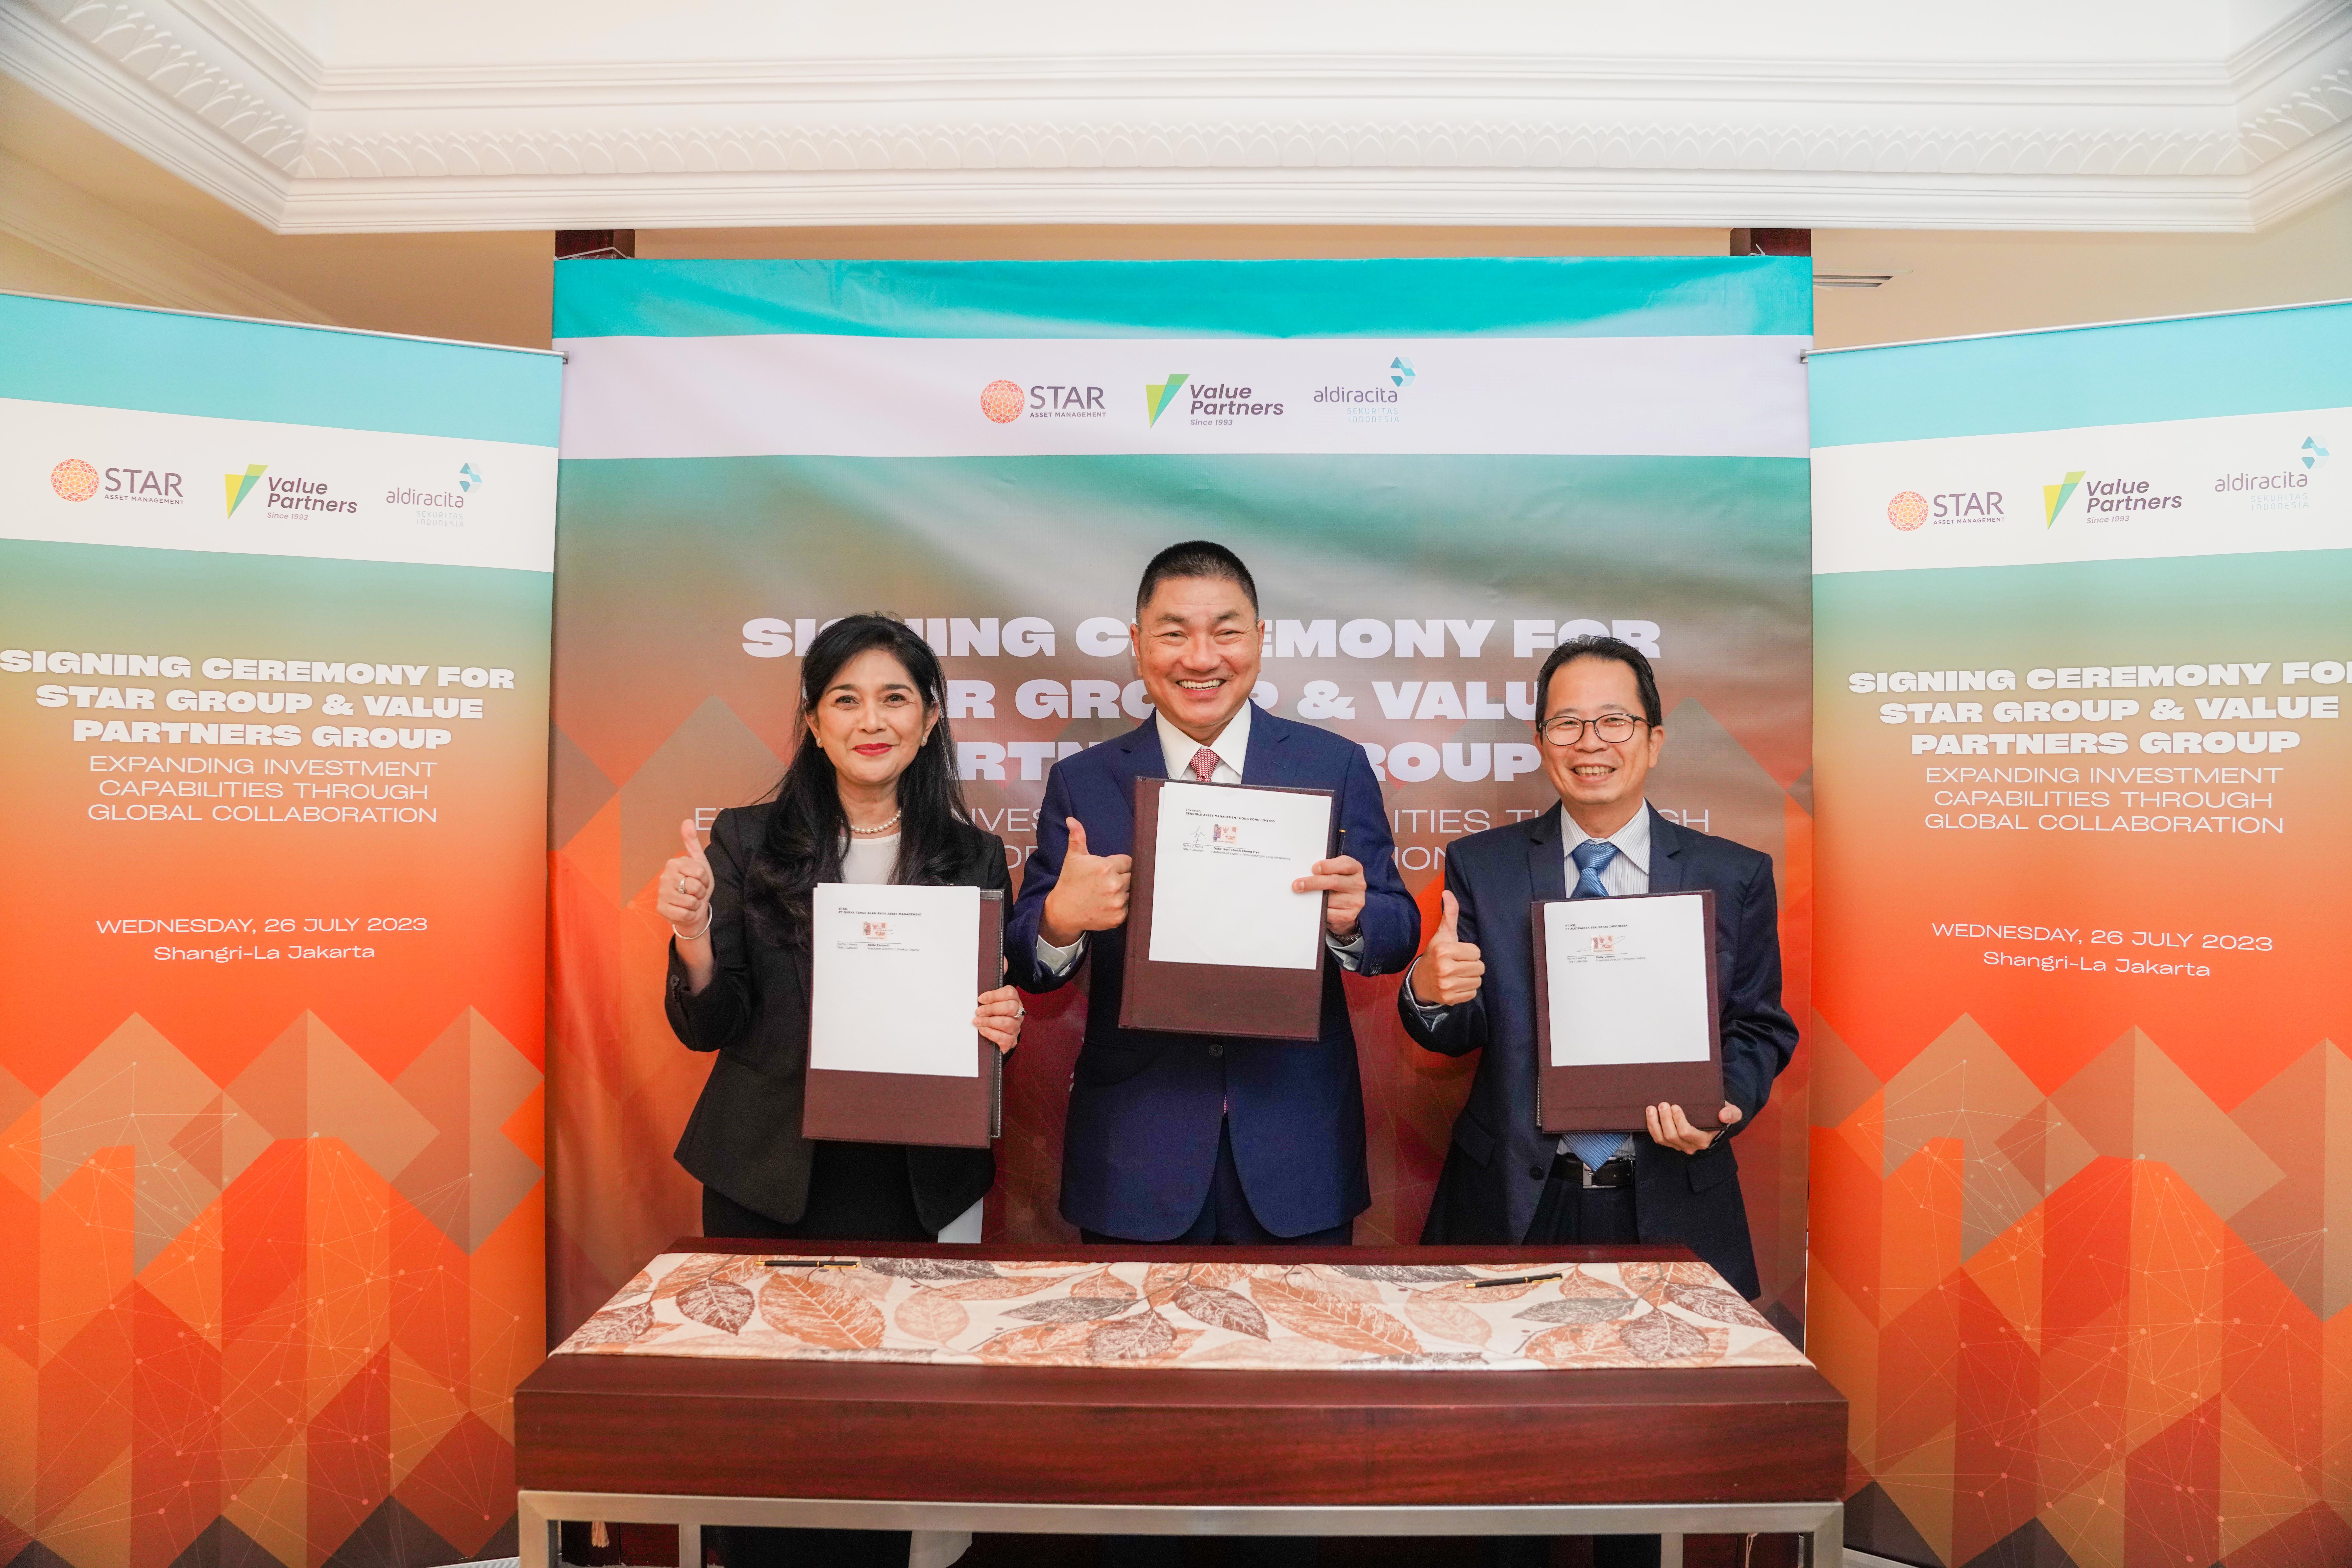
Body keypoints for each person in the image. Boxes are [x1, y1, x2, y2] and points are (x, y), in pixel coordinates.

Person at [1398, 633, 1798, 1568]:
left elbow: (1760, 1028)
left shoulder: (1731, 874)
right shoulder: (1482, 868)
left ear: (1654, 740)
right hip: (1516, 1201)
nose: (1592, 741)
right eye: (1568, 722)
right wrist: (1431, 989)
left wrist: (1723, 1104)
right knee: (1504, 1472)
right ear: (1542, 742)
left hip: (1662, 1198)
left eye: (1614, 720)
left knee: (1645, 1470)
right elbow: (1454, 1032)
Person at [656, 613, 1024, 1568]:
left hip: (903, 1184)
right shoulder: (742, 843)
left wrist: (1000, 1031)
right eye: (846, 699)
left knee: (875, 1434)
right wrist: (694, 934)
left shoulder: (975, 858)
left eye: (896, 697)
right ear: (814, 724)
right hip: (767, 1179)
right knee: (764, 1436)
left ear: (931, 717)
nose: (873, 719)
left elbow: (980, 1032)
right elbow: (710, 1023)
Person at [1006, 541, 1420, 1245]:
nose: (1201, 659)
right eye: (1174, 633)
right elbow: (1025, 956)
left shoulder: (1334, 765)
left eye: (1226, 631)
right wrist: (1059, 923)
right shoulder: (1085, 781)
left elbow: (1398, 925)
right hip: (1136, 1153)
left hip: (1298, 1148)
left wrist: (1353, 921)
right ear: (1139, 647)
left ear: (1260, 642)